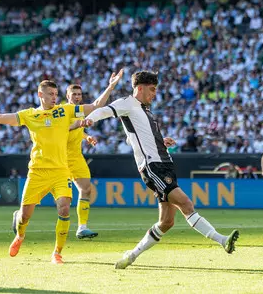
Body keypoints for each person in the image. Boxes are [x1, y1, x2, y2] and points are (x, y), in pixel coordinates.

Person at [79, 71, 239, 269]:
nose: (154, 94)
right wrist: (90, 120)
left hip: (165, 163)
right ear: (139, 88)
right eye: (152, 89)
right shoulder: (128, 103)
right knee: (186, 204)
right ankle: (223, 241)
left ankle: (131, 255)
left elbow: (142, 137)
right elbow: (105, 111)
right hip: (152, 167)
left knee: (166, 222)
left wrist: (162, 141)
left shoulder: (146, 111)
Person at [0, 75, 121, 265]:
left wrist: (111, 85)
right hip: (37, 172)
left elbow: (95, 105)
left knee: (65, 208)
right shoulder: (29, 115)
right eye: (50, 94)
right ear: (40, 94)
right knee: (25, 216)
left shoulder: (65, 110)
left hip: (60, 171)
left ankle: (57, 253)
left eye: (56, 94)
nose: (54, 97)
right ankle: (19, 234)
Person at [66, 69, 124, 239]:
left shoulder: (78, 111)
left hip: (75, 158)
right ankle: (21, 215)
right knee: (60, 199)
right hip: (58, 158)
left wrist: (86, 136)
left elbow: (98, 104)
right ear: (67, 96)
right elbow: (64, 129)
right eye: (74, 94)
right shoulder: (61, 111)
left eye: (79, 94)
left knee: (86, 189)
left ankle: (82, 227)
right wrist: (78, 126)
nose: (77, 96)